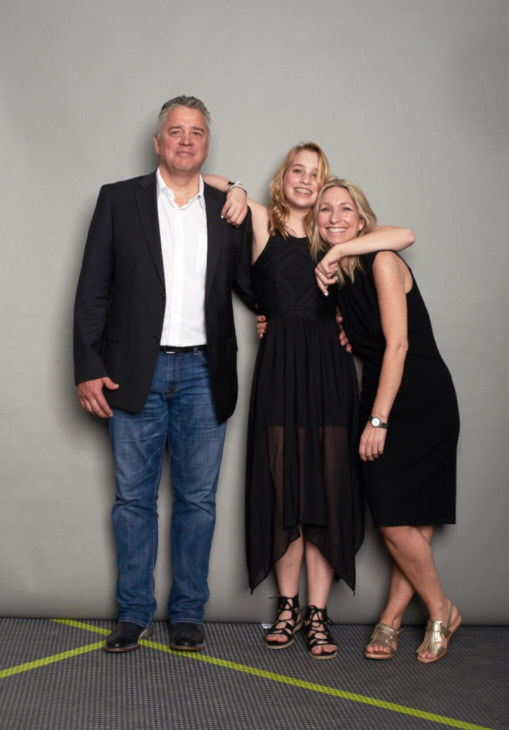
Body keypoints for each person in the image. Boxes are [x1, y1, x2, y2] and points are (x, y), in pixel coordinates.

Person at [207, 145, 414, 659]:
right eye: (297, 170)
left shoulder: (336, 235)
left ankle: (318, 614)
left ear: (325, 187)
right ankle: (288, 606)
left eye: (315, 174)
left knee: (326, 488)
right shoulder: (261, 220)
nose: (304, 179)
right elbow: (197, 179)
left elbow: (403, 236)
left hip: (329, 370)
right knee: (284, 490)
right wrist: (236, 187)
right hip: (279, 368)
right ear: (284, 177)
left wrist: (341, 253)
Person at [73, 95, 255, 653]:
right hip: (133, 371)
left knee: (197, 500)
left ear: (207, 145)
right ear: (158, 142)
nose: (186, 140)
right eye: (176, 131)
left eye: (196, 132)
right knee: (133, 500)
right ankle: (133, 613)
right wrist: (88, 366)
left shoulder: (227, 210)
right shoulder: (117, 199)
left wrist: (325, 314)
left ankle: (187, 614)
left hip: (205, 370)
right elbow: (92, 290)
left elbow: (256, 287)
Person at [314, 178, 461, 664]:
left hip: (419, 399)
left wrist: (377, 420)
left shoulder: (381, 260)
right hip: (381, 392)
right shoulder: (337, 280)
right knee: (398, 519)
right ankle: (416, 613)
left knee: (405, 519)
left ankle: (429, 613)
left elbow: (398, 345)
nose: (335, 217)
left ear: (361, 219)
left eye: (345, 209)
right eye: (325, 210)